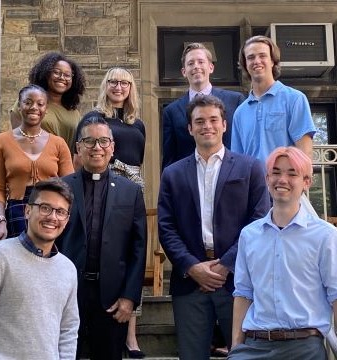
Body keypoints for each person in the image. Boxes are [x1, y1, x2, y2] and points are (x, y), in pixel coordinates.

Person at [158, 95, 270, 360]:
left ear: (224, 125)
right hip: (189, 281)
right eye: (199, 121)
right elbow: (166, 225)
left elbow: (258, 219)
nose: (206, 125)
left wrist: (226, 264)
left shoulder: (251, 168)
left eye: (212, 120)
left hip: (237, 280)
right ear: (189, 128)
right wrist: (191, 266)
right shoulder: (172, 173)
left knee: (244, 355)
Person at [229, 146, 337, 360]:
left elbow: (335, 295)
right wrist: (235, 346)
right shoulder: (249, 235)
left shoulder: (325, 236)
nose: (282, 179)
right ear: (267, 178)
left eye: (292, 173)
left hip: (304, 348)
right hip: (253, 346)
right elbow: (243, 293)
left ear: (307, 182)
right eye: (276, 172)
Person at [56, 114, 147, 360]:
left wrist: (130, 297)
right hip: (67, 293)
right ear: (78, 147)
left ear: (113, 147)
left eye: (104, 141)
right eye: (89, 141)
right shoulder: (60, 188)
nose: (97, 147)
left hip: (112, 297)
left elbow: (138, 249)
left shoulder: (131, 192)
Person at [74, 68, 146, 357]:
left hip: (129, 187)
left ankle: (130, 334)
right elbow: (82, 153)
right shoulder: (94, 119)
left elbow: (139, 160)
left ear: (131, 89)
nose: (119, 87)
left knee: (128, 250)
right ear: (105, 86)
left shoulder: (137, 123)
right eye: (113, 82)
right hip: (100, 178)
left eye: (125, 83)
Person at [0, 178, 79, 360]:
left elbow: (68, 329)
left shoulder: (68, 269)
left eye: (61, 212)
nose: (53, 217)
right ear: (28, 210)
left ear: (67, 219)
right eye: (45, 208)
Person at [0, 84, 74, 241]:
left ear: (46, 109)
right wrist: (0, 221)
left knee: (47, 261)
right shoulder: (1, 141)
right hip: (17, 211)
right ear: (19, 106)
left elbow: (70, 186)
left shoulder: (58, 143)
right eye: (28, 102)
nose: (34, 107)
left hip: (51, 210)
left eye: (40, 104)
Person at [231, 35, 316, 163]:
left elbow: (305, 152)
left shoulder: (295, 99)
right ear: (245, 64)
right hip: (251, 183)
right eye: (250, 57)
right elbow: (237, 160)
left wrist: (303, 180)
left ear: (272, 61)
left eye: (262, 55)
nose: (257, 61)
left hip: (285, 182)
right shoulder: (240, 113)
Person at [162, 42, 245, 169]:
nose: (196, 66)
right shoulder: (171, 111)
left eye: (201, 62)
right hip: (189, 182)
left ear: (211, 67)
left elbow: (243, 146)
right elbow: (170, 158)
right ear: (184, 71)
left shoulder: (235, 101)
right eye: (191, 63)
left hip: (229, 178)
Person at [10, 51, 86, 152]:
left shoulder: (74, 112)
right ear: (46, 74)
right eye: (56, 72)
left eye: (67, 75)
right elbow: (19, 138)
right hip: (35, 162)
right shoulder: (27, 104)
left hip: (66, 165)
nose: (62, 77)